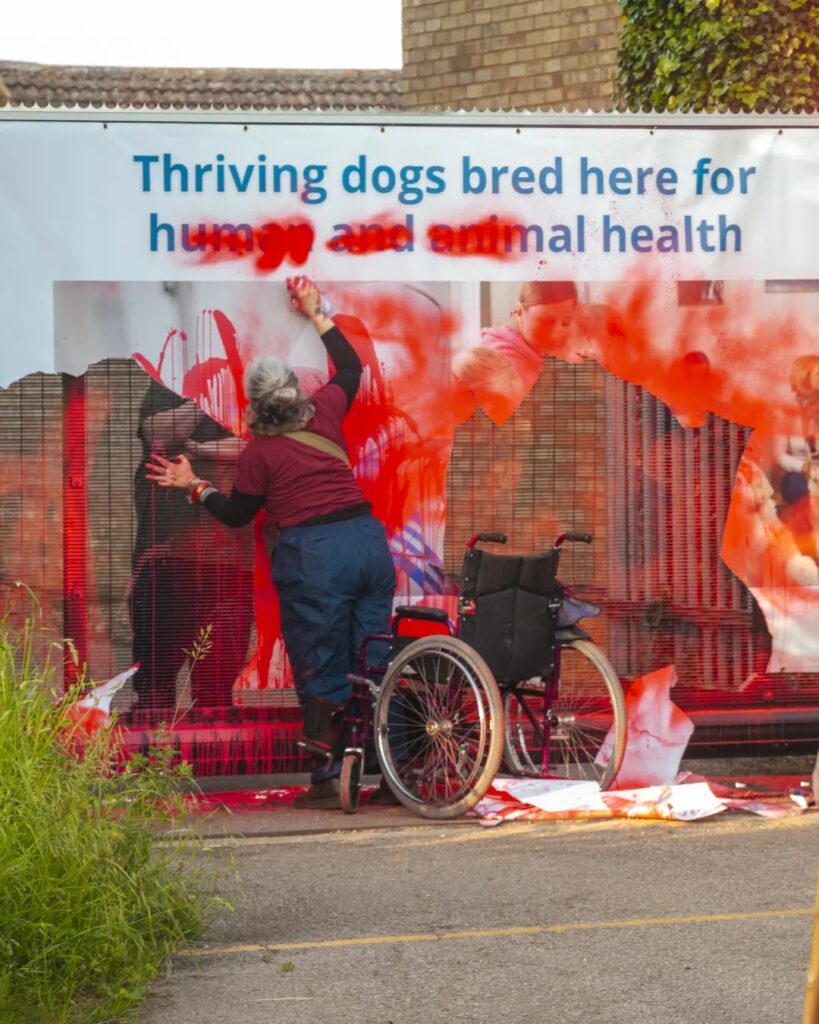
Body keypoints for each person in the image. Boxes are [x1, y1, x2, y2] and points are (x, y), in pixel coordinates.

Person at [146, 278, 397, 808]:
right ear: (296, 391)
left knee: (319, 663)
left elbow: (238, 515)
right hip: (368, 545)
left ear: (255, 403)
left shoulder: (260, 453)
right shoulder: (327, 410)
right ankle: (391, 773)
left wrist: (194, 484)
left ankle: (327, 781)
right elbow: (351, 369)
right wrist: (315, 312)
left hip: (317, 557)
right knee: (373, 660)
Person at [131, 380, 253, 715]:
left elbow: (261, 445)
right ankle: (153, 760)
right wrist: (207, 395)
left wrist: (197, 449)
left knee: (215, 686)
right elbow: (159, 434)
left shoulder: (250, 380)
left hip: (231, 563)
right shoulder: (169, 384)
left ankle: (214, 762)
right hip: (167, 558)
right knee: (154, 682)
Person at [452, 280, 578, 425]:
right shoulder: (504, 366)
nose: (556, 333)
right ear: (519, 312)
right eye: (545, 321)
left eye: (566, 322)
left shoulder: (545, 354)